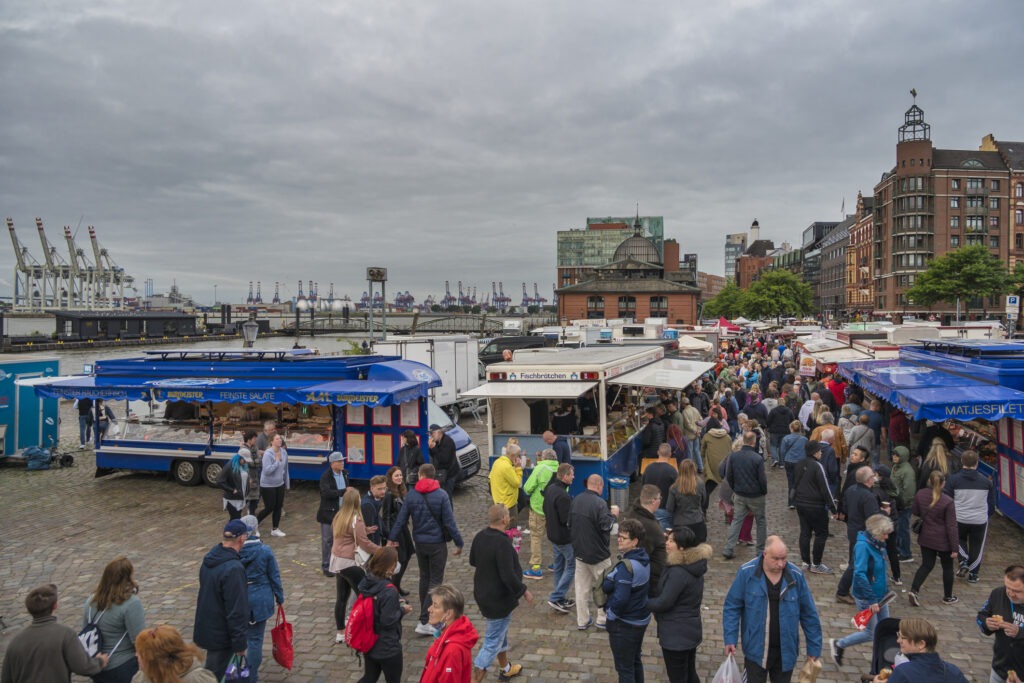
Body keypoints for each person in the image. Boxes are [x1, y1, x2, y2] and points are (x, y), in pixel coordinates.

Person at [723, 535, 822, 683]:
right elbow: (732, 606)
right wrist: (730, 638)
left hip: (785, 652)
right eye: (775, 559)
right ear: (764, 554)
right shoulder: (747, 572)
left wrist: (814, 647)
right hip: (755, 650)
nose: (781, 564)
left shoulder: (796, 576)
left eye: (784, 558)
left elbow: (809, 614)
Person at [388, 463, 464, 636]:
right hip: (437, 544)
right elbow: (449, 523)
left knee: (425, 578)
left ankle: (425, 619)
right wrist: (459, 543)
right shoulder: (442, 495)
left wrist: (391, 539)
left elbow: (401, 520)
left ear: (420, 476)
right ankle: (425, 620)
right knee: (435, 582)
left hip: (420, 543)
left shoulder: (411, 495)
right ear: (434, 476)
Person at [469, 504, 531, 683]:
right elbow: (507, 575)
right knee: (492, 641)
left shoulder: (480, 537)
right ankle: (476, 677)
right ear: (504, 519)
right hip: (498, 599)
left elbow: (473, 560)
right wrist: (523, 590)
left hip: (483, 593)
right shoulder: (503, 542)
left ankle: (506, 669)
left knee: (500, 634)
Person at [1, 583, 109, 682]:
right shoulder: (65, 635)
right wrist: (99, 662)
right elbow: (83, 667)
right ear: (55, 606)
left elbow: (6, 678)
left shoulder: (16, 642)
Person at [646, 527, 711, 683]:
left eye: (671, 541)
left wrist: (643, 602)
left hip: (676, 635)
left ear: (681, 547)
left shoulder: (678, 572)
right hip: (689, 631)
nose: (666, 543)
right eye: (667, 539)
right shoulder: (693, 566)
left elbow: (664, 602)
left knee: (678, 677)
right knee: (689, 674)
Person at [829, 514, 894, 666]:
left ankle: (883, 661)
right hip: (868, 598)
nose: (887, 537)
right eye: (884, 533)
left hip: (881, 596)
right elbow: (859, 574)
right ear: (876, 532)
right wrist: (871, 600)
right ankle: (839, 644)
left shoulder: (878, 544)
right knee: (871, 633)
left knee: (885, 630)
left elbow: (880, 570)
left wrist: (886, 589)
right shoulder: (863, 546)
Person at [193, 520, 249, 680]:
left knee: (212, 671)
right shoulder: (234, 569)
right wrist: (240, 644)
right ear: (242, 539)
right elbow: (237, 610)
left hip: (208, 627)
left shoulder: (209, 559)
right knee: (216, 675)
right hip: (222, 635)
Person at [599, 518, 652, 683]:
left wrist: (610, 615)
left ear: (635, 541)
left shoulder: (626, 567)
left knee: (624, 669)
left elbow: (621, 598)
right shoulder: (644, 558)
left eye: (624, 538)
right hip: (641, 619)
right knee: (635, 661)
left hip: (625, 623)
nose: (619, 540)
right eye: (619, 536)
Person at [81, 556, 145, 683]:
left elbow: (86, 630)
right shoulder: (131, 603)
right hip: (123, 666)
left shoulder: (90, 601)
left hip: (98, 665)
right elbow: (140, 640)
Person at [331, 488, 382, 643]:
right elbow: (364, 543)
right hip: (350, 562)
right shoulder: (356, 519)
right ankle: (364, 627)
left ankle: (340, 632)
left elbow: (347, 534)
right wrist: (381, 550)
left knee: (341, 598)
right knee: (365, 597)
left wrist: (364, 530)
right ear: (356, 501)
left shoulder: (339, 516)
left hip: (338, 561)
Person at [570, 473, 619, 630]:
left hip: (580, 553)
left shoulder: (576, 500)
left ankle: (582, 620)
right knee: (604, 587)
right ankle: (602, 619)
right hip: (598, 554)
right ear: (599, 486)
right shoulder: (600, 503)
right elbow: (608, 527)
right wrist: (614, 516)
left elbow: (569, 524)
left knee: (581, 589)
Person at [238, 515, 284, 683]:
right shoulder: (264, 550)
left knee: (237, 638)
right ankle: (251, 677)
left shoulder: (235, 550)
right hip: (260, 598)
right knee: (255, 639)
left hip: (239, 599)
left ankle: (235, 673)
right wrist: (279, 596)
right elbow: (274, 576)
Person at [357, 547, 411, 683]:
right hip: (388, 646)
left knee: (369, 677)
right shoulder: (389, 591)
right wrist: (403, 610)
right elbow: (388, 620)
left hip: (370, 641)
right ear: (390, 566)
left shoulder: (367, 581)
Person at [909, 470, 959, 606]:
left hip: (926, 537)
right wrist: (955, 547)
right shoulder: (947, 501)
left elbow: (915, 511)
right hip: (944, 540)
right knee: (947, 568)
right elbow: (951, 526)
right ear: (943, 484)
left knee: (926, 565)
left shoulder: (920, 494)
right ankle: (948, 596)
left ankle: (914, 590)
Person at [945, 449, 995, 583]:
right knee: (977, 546)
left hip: (959, 518)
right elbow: (991, 504)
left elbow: (947, 500)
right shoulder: (987, 482)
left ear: (962, 462)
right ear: (977, 463)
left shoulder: (953, 480)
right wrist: (986, 515)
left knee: (958, 539)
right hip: (979, 520)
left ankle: (963, 560)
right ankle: (973, 574)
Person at [870, 617, 968, 682]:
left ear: (921, 644)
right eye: (898, 635)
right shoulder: (953, 671)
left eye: (902, 637)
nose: (898, 640)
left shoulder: (903, 672)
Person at [836, 464, 880, 605]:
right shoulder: (868, 496)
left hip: (853, 530)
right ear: (868, 480)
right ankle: (842, 591)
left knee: (858, 562)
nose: (874, 478)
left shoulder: (851, 490)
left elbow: (846, 509)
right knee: (855, 564)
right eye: (873, 476)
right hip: (863, 534)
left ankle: (863, 590)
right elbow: (873, 519)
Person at [792, 440, 837, 574]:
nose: (821, 452)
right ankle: (816, 563)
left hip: (800, 503)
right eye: (819, 450)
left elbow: (795, 483)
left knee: (805, 533)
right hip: (816, 505)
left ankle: (805, 562)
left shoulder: (799, 464)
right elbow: (825, 488)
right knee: (821, 533)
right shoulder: (818, 466)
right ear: (815, 452)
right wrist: (833, 508)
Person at [721, 430, 768, 559]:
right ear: (754, 442)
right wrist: (763, 491)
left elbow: (729, 475)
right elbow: (762, 479)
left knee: (736, 521)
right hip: (756, 495)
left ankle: (728, 548)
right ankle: (760, 550)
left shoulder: (734, 456)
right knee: (761, 521)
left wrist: (736, 488)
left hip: (740, 494)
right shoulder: (757, 458)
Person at [420, 584, 479, 683]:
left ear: (448, 614)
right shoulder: (445, 635)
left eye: (435, 605)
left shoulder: (452, 651)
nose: (429, 609)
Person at [977, 564, 1024, 683]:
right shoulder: (998, 593)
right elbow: (981, 615)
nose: (1011, 594)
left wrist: (1020, 633)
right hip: (999, 670)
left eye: (1017, 591)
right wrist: (986, 623)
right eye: (1008, 587)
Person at [132, 624, 217, 682]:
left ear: (156, 660)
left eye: (140, 653)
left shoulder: (197, 679)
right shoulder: (141, 677)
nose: (136, 655)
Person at [543, 463, 576, 613]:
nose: (573, 477)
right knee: (571, 567)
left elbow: (545, 508)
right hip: (564, 538)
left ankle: (560, 598)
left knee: (559, 567)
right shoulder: (563, 495)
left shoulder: (551, 489)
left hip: (553, 535)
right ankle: (556, 596)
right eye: (571, 474)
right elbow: (566, 520)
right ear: (565, 476)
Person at [522, 448, 559, 578]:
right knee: (554, 536)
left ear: (544, 458)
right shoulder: (561, 469)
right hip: (555, 509)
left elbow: (527, 488)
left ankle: (536, 568)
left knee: (536, 537)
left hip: (539, 508)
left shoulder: (540, 468)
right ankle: (557, 563)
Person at [624, 484, 668, 595]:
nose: (660, 501)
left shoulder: (633, 513)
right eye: (659, 498)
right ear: (653, 501)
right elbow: (643, 554)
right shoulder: (649, 525)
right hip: (651, 581)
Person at [380, 466, 414, 596]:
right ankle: (393, 588)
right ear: (391, 478)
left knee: (407, 556)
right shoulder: (389, 494)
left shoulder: (402, 491)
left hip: (403, 529)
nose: (399, 478)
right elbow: (386, 516)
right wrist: (390, 537)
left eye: (400, 475)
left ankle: (397, 585)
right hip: (395, 531)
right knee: (400, 559)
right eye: (396, 476)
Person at [317, 451, 349, 577]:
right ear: (332, 464)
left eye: (343, 461)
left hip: (342, 512)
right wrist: (343, 492)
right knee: (327, 540)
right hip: (328, 514)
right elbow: (326, 493)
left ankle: (337, 562)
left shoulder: (345, 474)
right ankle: (326, 565)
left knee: (340, 539)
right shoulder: (325, 477)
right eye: (340, 461)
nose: (342, 463)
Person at [666, 459, 707, 544]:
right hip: (697, 521)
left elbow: (669, 508)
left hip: (680, 523)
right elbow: (703, 501)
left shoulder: (674, 487)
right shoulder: (700, 484)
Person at [256, 433, 289, 536]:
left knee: (278, 506)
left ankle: (275, 529)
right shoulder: (268, 454)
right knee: (269, 507)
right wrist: (277, 461)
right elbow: (267, 471)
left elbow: (285, 468)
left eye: (280, 438)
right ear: (272, 441)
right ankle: (254, 525)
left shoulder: (283, 452)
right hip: (268, 485)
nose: (280, 440)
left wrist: (286, 482)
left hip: (279, 483)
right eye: (277, 439)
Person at [489, 441, 525, 529]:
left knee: (501, 527)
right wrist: (518, 468)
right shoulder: (507, 467)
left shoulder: (497, 462)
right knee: (511, 527)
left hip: (498, 498)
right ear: (513, 456)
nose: (518, 458)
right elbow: (517, 483)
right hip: (508, 502)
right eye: (518, 456)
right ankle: (510, 542)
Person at [642, 443, 678, 530]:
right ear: (670, 454)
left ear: (658, 452)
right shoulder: (672, 471)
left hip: (649, 507)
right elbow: (677, 491)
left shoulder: (648, 468)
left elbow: (643, 487)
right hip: (665, 508)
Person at [890, 445, 917, 562]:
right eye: (893, 454)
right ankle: (898, 549)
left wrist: (903, 503)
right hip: (896, 503)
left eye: (897, 455)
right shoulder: (896, 467)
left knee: (903, 529)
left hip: (903, 506)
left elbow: (909, 490)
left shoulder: (907, 471)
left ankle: (906, 553)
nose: (894, 457)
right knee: (898, 528)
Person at [701, 417, 732, 503]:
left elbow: (702, 452)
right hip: (726, 467)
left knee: (707, 490)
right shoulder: (728, 437)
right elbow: (730, 450)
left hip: (712, 467)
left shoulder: (706, 437)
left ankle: (703, 511)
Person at [216, 448, 251, 521]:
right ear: (239, 458)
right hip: (232, 499)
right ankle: (230, 531)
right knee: (235, 519)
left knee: (235, 519)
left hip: (241, 497)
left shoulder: (243, 466)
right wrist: (232, 490)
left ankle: (232, 531)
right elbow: (220, 482)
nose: (245, 462)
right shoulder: (229, 466)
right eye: (244, 460)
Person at [779, 420, 807, 507]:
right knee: (800, 482)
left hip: (789, 461)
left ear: (791, 428)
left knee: (791, 482)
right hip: (801, 462)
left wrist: (783, 461)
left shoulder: (786, 438)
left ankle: (791, 502)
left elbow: (782, 451)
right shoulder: (805, 439)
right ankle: (800, 500)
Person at [428, 424, 459, 497]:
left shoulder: (447, 441)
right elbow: (434, 456)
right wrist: (431, 448)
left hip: (449, 473)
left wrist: (433, 448)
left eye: (432, 434)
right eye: (430, 434)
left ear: (439, 433)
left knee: (447, 497)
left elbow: (444, 459)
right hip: (442, 473)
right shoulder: (438, 441)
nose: (431, 436)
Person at [767, 402, 798, 469]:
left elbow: (768, 420)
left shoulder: (773, 411)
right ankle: (782, 463)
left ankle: (775, 459)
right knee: (782, 447)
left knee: (773, 446)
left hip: (774, 430)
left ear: (778, 403)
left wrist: (769, 427)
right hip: (785, 431)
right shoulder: (789, 411)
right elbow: (792, 420)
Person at [362, 475, 387, 546]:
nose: (383, 491)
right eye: (379, 489)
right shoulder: (367, 505)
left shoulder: (378, 498)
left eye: (384, 488)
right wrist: (375, 550)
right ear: (372, 488)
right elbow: (370, 532)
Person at [241, 430, 260, 514]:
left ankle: (251, 513)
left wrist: (256, 461)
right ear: (249, 439)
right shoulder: (244, 449)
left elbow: (258, 461)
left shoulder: (254, 447)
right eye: (254, 438)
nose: (255, 440)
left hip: (255, 476)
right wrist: (256, 461)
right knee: (249, 497)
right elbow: (250, 463)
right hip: (248, 477)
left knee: (255, 499)